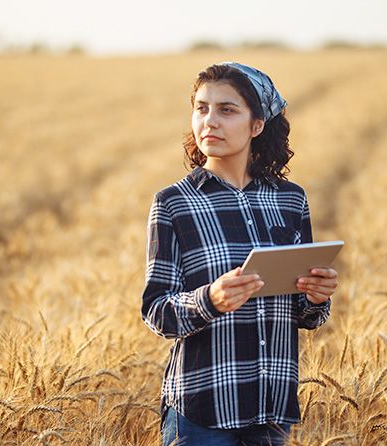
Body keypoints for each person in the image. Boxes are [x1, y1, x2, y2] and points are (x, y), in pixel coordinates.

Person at [141, 62, 339, 446]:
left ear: (256, 125)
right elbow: (156, 310)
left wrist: (316, 297)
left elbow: (305, 313)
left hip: (270, 410)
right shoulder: (174, 203)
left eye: (226, 110)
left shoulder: (290, 200)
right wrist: (209, 299)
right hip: (201, 414)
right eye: (201, 108)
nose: (209, 121)